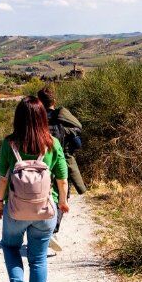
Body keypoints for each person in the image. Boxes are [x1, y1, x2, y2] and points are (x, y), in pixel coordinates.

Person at [0, 96, 68, 282]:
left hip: (16, 210)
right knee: (38, 258)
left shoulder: (10, 143)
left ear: (18, 118)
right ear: (42, 118)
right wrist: (63, 202)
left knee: (10, 247)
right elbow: (62, 179)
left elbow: (4, 178)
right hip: (45, 211)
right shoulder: (52, 144)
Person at [36, 86, 85, 252]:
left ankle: (39, 229)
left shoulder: (35, 120)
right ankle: (52, 231)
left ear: (39, 102)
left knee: (36, 195)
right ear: (54, 102)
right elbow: (78, 141)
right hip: (60, 162)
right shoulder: (62, 121)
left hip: (38, 163)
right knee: (61, 196)